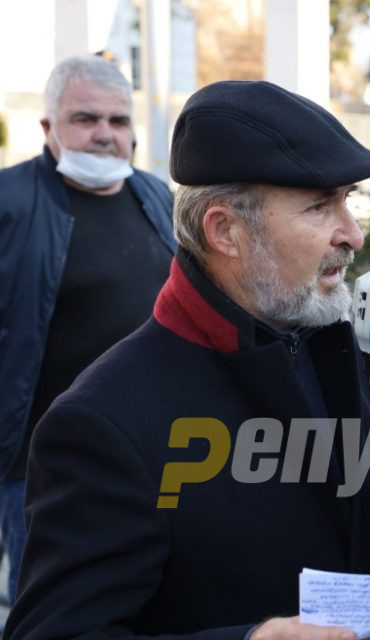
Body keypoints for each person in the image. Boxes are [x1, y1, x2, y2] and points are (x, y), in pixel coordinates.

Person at [5, 80, 370, 639]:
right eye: (319, 208)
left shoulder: (336, 348)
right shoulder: (101, 421)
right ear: (225, 231)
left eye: (348, 201)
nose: (354, 235)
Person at [0, 55, 175, 604]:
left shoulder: (158, 197)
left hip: (151, 457)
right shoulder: (9, 202)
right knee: (51, 605)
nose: (105, 134)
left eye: (119, 121)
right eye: (85, 119)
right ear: (48, 127)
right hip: (42, 467)